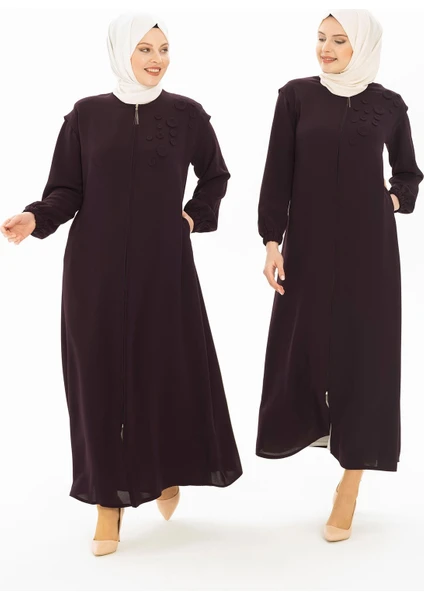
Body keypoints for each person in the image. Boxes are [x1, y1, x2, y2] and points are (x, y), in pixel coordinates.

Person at [0, 11, 242, 556]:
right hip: (95, 269)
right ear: (121, 52)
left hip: (164, 267)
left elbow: (216, 174)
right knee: (99, 380)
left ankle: (168, 470)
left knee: (165, 370)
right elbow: (66, 189)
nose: (157, 59)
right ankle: (107, 503)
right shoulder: (86, 115)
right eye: (145, 49)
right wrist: (36, 217)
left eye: (164, 49)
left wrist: (193, 216)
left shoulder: (186, 114)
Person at [256, 9, 423, 542]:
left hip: (369, 249)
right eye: (321, 39)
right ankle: (311, 428)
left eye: (339, 41)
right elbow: (277, 172)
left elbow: (408, 174)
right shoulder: (296, 96)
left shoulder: (389, 104)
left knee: (365, 353)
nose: (325, 49)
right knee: (301, 346)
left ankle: (350, 482)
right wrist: (272, 240)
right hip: (306, 248)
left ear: (363, 47)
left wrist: (390, 201)